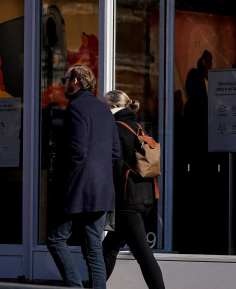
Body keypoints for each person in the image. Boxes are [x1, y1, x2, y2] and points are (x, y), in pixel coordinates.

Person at [46, 64, 121, 289]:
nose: (63, 84)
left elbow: (77, 151)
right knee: (94, 250)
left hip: (77, 188)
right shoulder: (104, 110)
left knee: (56, 239)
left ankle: (75, 285)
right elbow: (115, 152)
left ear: (75, 81)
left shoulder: (76, 107)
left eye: (65, 79)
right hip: (101, 189)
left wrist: (64, 179)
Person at [102, 90, 165, 289]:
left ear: (113, 106)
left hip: (128, 200)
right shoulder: (137, 127)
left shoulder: (115, 128)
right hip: (145, 196)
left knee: (143, 255)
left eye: (104, 106)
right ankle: (93, 284)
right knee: (109, 248)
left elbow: (114, 165)